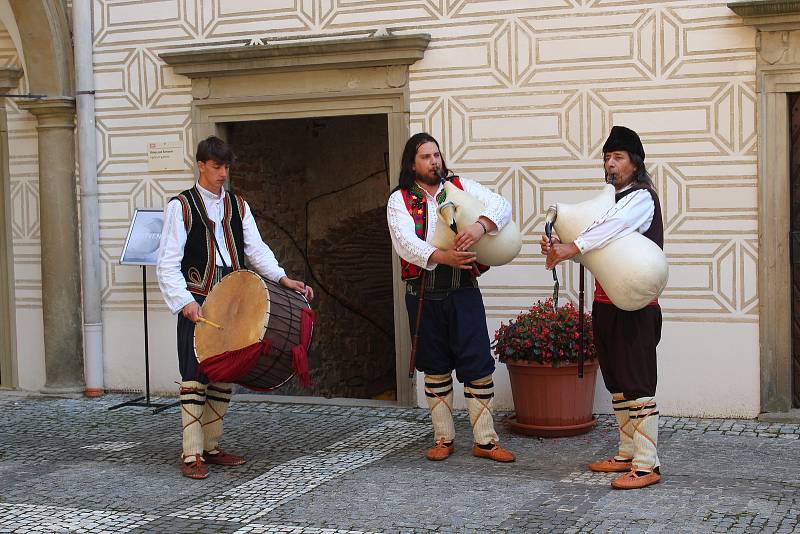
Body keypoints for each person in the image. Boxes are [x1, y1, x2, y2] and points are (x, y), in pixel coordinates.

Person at [156, 136, 313, 480]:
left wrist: (282, 278)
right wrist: (184, 302)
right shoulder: (181, 207)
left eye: (226, 166)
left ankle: (211, 447)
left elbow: (256, 249)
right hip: (198, 301)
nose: (222, 173)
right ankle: (191, 454)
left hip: (236, 301)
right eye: (216, 167)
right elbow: (166, 264)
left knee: (226, 374)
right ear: (200, 165)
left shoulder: (238, 205)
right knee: (195, 378)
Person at [541, 125, 664, 490]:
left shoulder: (642, 198)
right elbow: (596, 250)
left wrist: (570, 244)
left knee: (637, 381)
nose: (611, 164)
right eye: (607, 158)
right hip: (607, 303)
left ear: (635, 163)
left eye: (619, 158)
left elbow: (612, 228)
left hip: (636, 307)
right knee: (617, 381)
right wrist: (558, 246)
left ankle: (647, 464)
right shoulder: (608, 202)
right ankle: (627, 452)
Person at [387, 132, 515, 463]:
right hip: (424, 294)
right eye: (426, 157)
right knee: (435, 366)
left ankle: (485, 440)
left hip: (463, 291)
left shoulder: (459, 186)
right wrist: (444, 257)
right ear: (412, 164)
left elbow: (502, 204)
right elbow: (405, 243)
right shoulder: (400, 199)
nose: (434, 161)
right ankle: (443, 438)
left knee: (477, 363)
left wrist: (481, 227)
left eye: (436, 155)